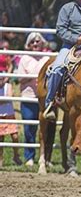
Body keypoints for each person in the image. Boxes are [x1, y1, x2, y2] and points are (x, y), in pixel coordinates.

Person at [17, 32, 50, 166]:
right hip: (29, 97)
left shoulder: (47, 58)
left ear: (42, 43)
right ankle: (29, 156)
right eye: (32, 42)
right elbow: (19, 78)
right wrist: (35, 76)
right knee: (29, 127)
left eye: (37, 41)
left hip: (44, 98)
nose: (35, 44)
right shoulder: (24, 58)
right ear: (28, 45)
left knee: (45, 128)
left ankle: (45, 157)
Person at [0, 76, 22, 167]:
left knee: (15, 137)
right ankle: (0, 158)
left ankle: (16, 155)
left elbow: (9, 96)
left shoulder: (8, 86)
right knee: (1, 139)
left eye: (1, 79)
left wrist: (3, 100)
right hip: (0, 116)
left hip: (9, 115)